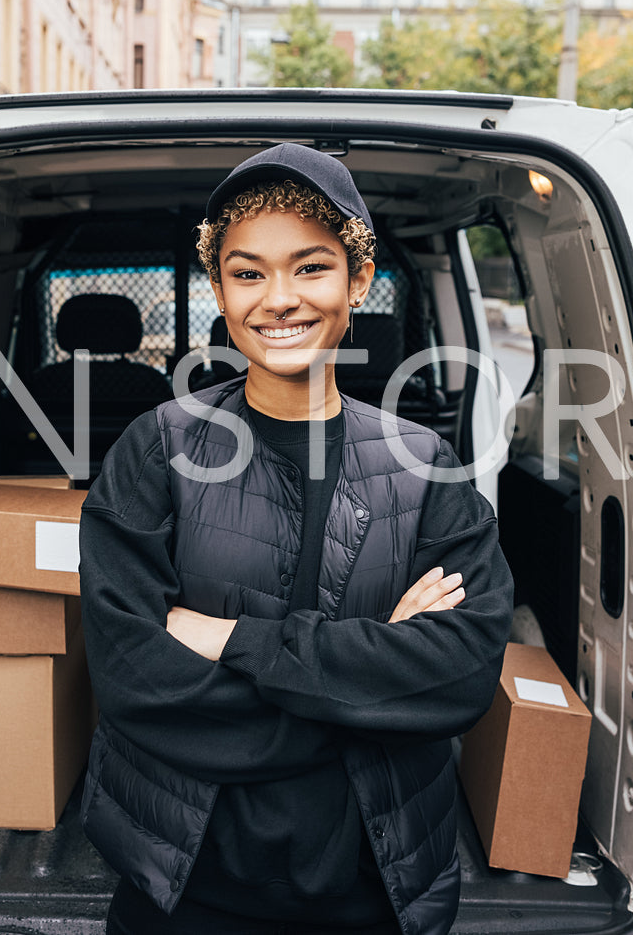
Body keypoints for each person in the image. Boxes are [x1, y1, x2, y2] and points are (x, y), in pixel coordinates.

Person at [78, 143, 515, 934]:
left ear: (357, 282)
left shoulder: (425, 466)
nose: (277, 299)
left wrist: (230, 639)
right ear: (219, 291)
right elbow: (132, 681)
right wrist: (368, 684)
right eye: (247, 273)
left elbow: (459, 678)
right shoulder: (157, 449)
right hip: (182, 886)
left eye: (310, 267)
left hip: (374, 890)